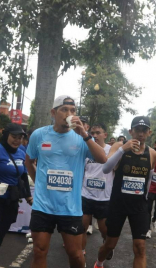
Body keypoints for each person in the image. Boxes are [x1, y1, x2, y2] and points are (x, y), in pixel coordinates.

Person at [25, 95, 107, 268]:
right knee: (39, 251)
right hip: (43, 206)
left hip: (70, 208)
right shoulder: (39, 135)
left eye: (73, 110)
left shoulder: (81, 138)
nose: (69, 113)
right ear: (53, 113)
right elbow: (29, 160)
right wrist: (38, 182)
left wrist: (85, 135)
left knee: (76, 255)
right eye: (64, 109)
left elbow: (103, 159)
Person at [94, 116, 156, 268]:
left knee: (140, 247)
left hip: (139, 207)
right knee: (110, 245)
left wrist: (145, 200)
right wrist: (123, 149)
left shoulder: (152, 153)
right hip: (118, 204)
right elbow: (106, 168)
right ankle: (99, 263)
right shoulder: (118, 146)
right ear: (131, 131)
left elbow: (148, 180)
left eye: (144, 130)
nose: (140, 134)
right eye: (137, 130)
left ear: (149, 132)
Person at [81, 123, 115, 259]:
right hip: (85, 194)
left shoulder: (111, 150)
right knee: (82, 228)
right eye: (92, 133)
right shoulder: (85, 149)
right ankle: (81, 253)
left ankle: (107, 246)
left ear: (105, 135)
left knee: (104, 230)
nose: (94, 135)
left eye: (98, 133)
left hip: (104, 198)